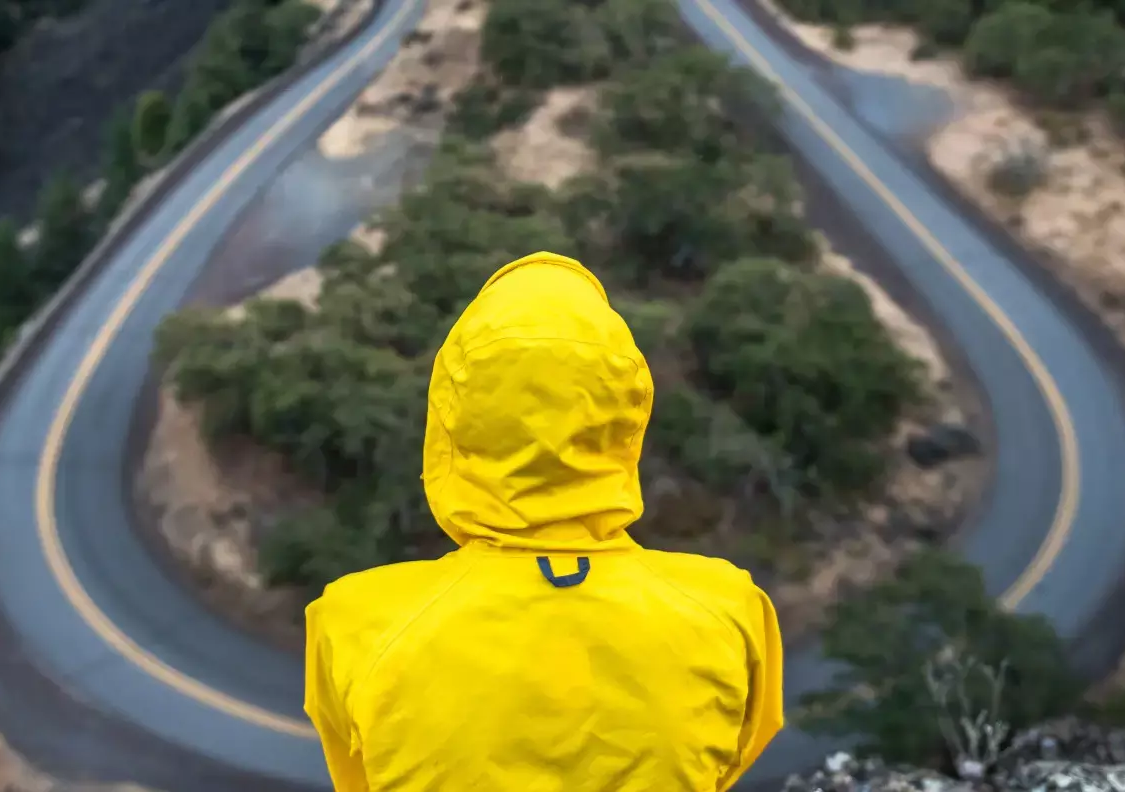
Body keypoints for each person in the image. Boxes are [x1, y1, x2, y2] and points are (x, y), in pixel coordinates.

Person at [303, 252, 786, 791]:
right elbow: (723, 766)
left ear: (449, 421)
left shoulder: (353, 623)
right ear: (628, 418)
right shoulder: (729, 611)